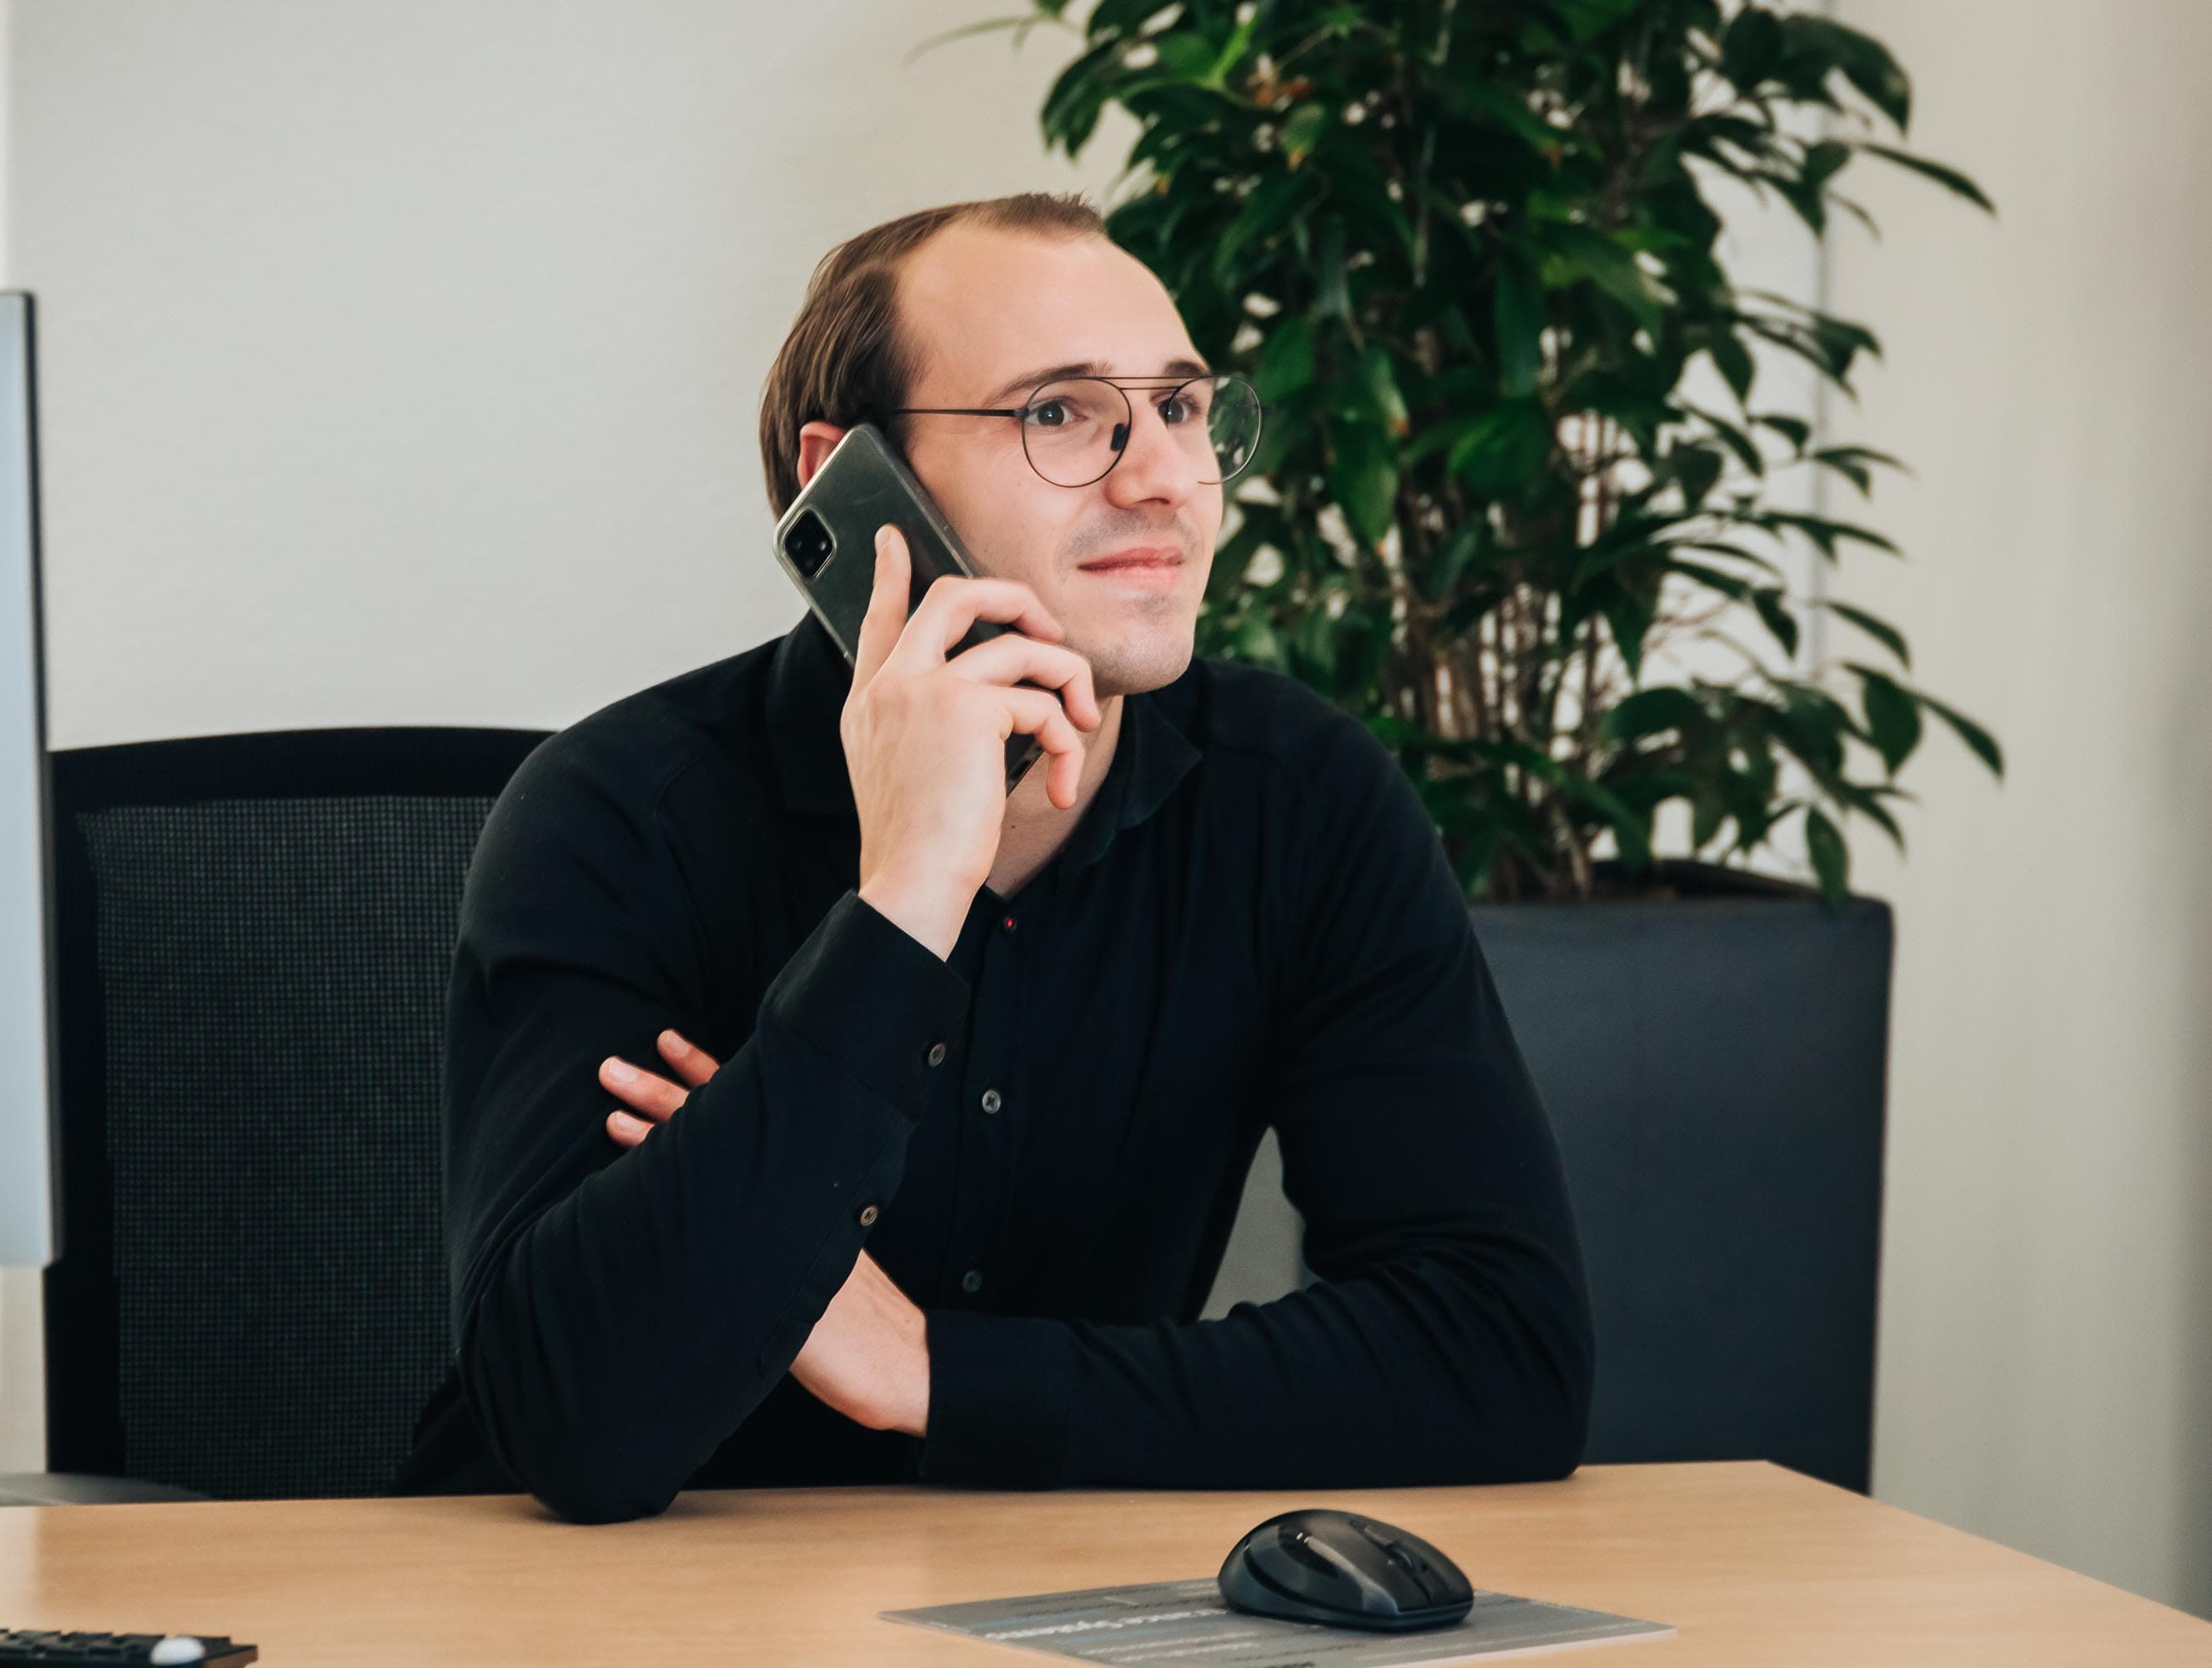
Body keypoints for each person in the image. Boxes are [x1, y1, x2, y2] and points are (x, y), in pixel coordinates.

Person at [395, 192, 1593, 1523]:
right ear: (847, 484)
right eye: (1062, 413)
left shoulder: (1300, 801)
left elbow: (1503, 1358)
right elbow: (579, 1433)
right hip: (581, 1621)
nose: (1163, 477)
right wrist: (907, 899)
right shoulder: (618, 813)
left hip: (1038, 1603)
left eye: (1184, 409)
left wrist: (932, 1372)